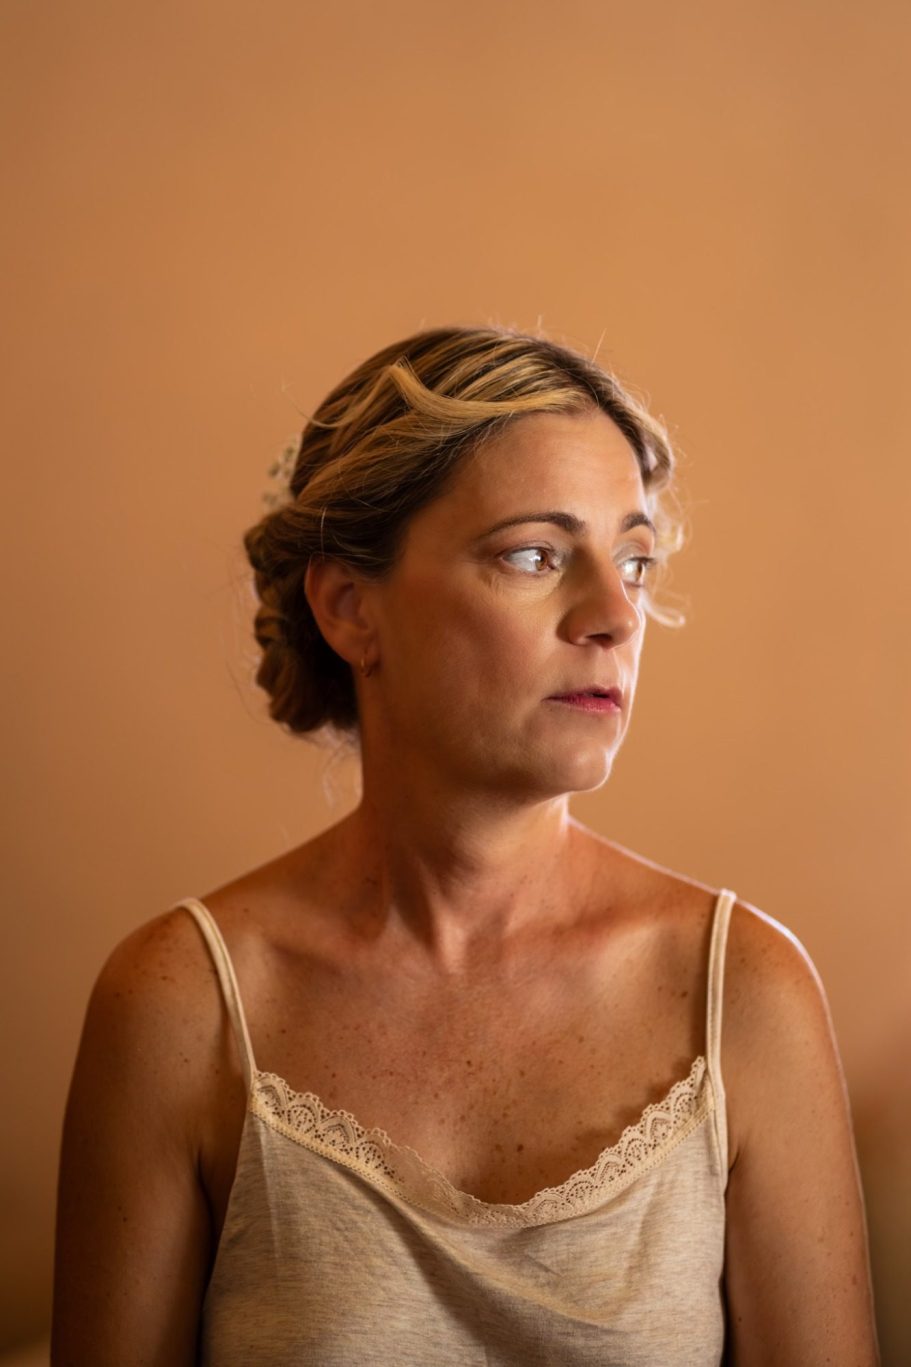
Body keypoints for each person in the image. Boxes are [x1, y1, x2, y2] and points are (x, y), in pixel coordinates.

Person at [51, 325, 879, 1365]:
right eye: (532, 554)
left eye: (632, 559)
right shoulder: (182, 1002)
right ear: (351, 608)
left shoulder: (740, 991)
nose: (614, 614)